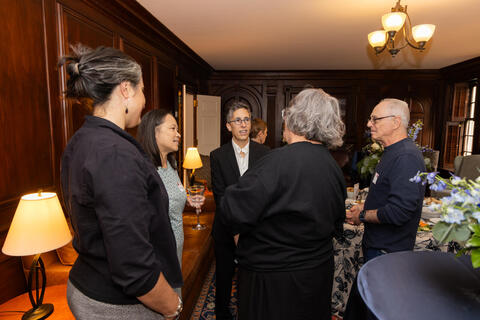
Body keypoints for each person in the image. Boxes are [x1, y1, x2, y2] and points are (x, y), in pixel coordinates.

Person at [60, 45, 183, 320]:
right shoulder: (115, 154)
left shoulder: (82, 139)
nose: (144, 100)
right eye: (142, 91)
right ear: (125, 90)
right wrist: (172, 306)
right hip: (119, 304)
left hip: (89, 283)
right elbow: (133, 266)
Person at [220, 88, 347, 320]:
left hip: (273, 281)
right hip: (317, 275)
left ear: (293, 118)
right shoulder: (332, 166)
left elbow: (232, 208)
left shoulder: (276, 161)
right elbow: (338, 219)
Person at [344, 98, 426, 320]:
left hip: (389, 254)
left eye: (375, 119)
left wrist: (362, 215)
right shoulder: (392, 152)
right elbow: (387, 198)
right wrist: (364, 206)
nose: (370, 124)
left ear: (396, 122)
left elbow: (399, 212)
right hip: (379, 249)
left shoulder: (407, 157)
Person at [210, 101, 270, 320]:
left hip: (256, 229)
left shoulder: (265, 153)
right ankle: (222, 314)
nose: (244, 125)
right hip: (226, 230)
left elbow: (265, 193)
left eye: (247, 119)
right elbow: (221, 196)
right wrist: (236, 231)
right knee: (224, 277)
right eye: (238, 120)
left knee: (252, 277)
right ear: (229, 126)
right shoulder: (217, 155)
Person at [137, 109, 204, 296]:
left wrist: (188, 199)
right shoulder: (145, 171)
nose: (179, 134)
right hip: (158, 255)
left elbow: (169, 198)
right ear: (154, 132)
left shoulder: (172, 165)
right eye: (173, 128)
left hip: (176, 248)